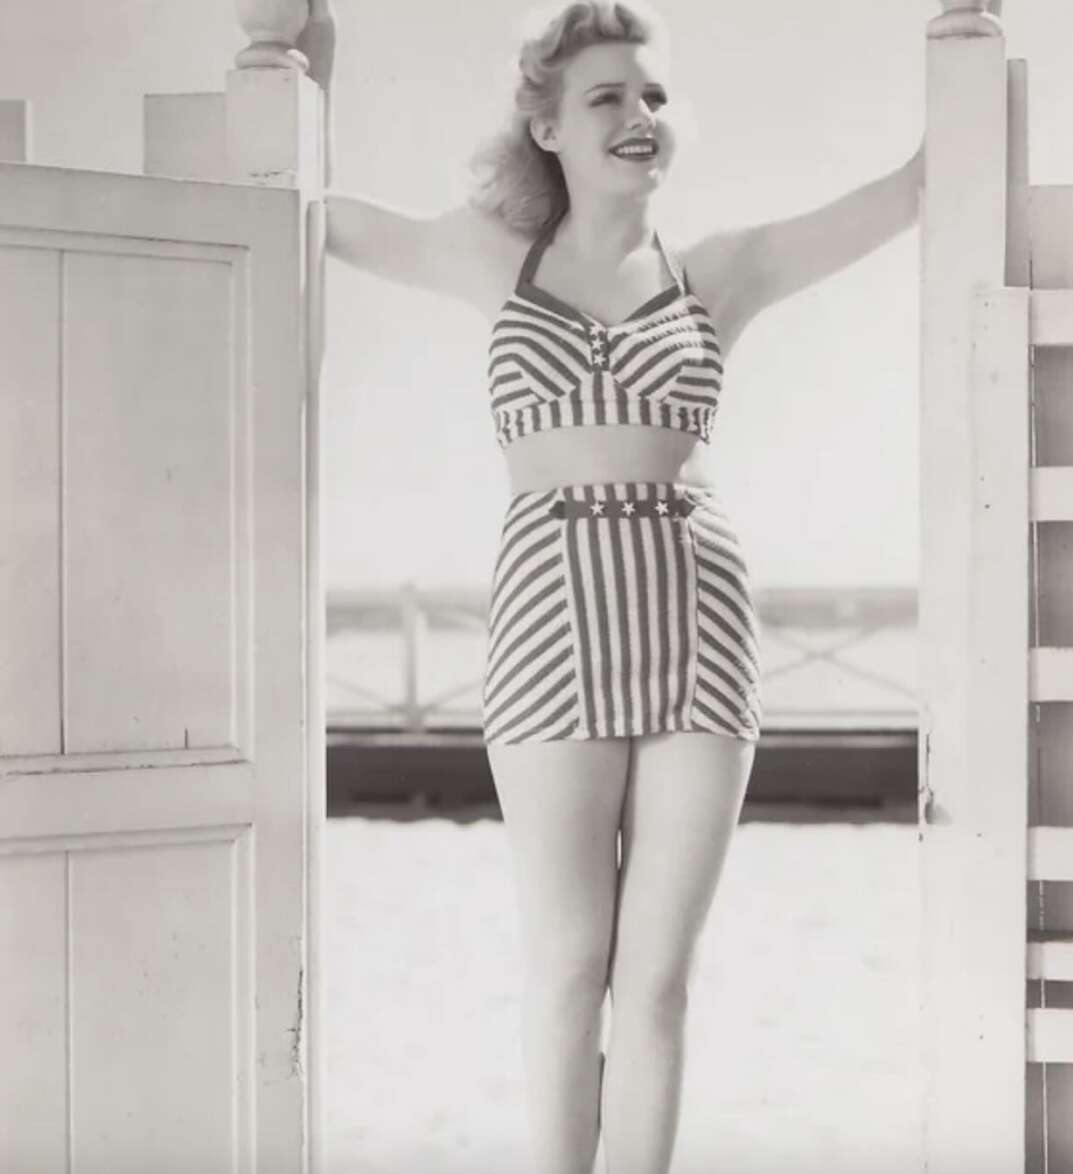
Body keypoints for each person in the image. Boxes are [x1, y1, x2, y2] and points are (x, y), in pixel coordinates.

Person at [304, 2, 922, 1170]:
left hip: (697, 619)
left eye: (654, 98)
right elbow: (313, 214)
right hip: (547, 621)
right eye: (608, 97)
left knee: (654, 986)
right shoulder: (492, 258)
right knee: (567, 966)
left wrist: (965, 25)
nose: (640, 117)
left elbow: (904, 193)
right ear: (544, 122)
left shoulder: (718, 272)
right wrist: (312, 64)